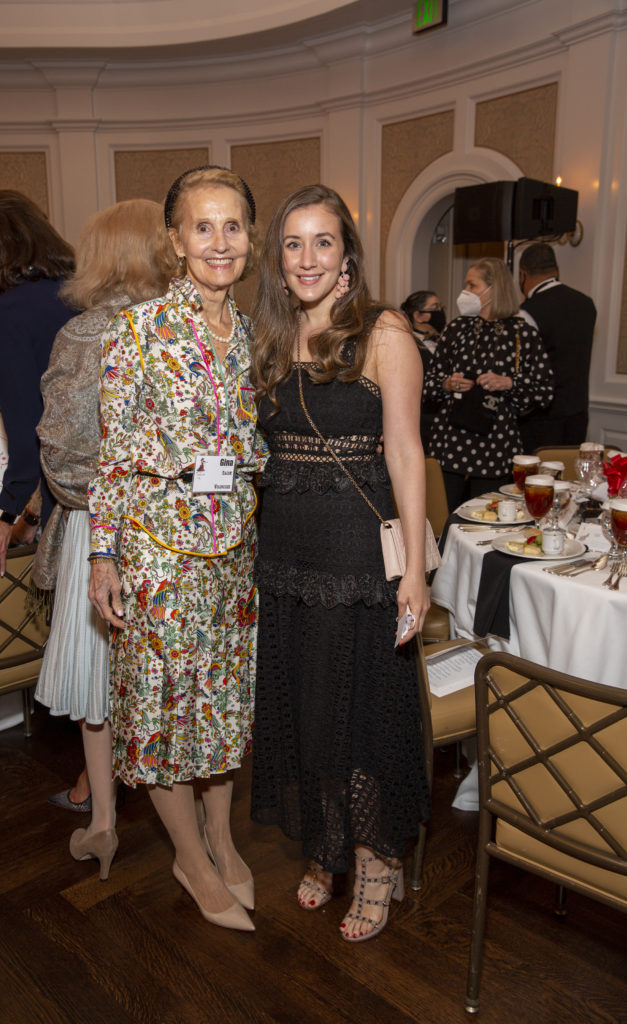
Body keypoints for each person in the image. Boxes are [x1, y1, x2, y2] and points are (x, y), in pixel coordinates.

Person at [249, 184, 431, 944]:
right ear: (278, 258)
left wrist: (415, 571)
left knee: (355, 715)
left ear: (347, 255)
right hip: (285, 553)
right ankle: (325, 844)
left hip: (357, 557)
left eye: (322, 241)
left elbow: (403, 453)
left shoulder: (381, 332)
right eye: (293, 243)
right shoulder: (267, 333)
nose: (307, 258)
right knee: (303, 709)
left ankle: (375, 856)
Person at [88, 166, 268, 931]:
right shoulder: (137, 330)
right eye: (203, 226)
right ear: (174, 240)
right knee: (165, 711)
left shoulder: (250, 333)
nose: (219, 242)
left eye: (232, 226)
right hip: (159, 550)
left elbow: (245, 440)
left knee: (219, 707)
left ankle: (222, 841)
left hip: (233, 550)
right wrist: (103, 556)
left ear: (249, 239)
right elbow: (112, 454)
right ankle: (189, 860)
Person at [31, 199, 177, 876]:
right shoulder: (180, 328)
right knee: (167, 682)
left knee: (96, 688)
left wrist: (103, 499)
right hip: (173, 531)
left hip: (102, 531)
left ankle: (103, 824)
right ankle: (191, 842)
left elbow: (59, 454)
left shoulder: (83, 334)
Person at [0, 190, 75, 578]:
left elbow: (29, 432)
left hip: (68, 497)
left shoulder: (6, 313)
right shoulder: (81, 291)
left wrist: (5, 517)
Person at [423, 257, 554, 512]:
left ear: (494, 289)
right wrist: (448, 384)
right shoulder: (456, 328)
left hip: (495, 441)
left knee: (489, 518)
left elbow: (544, 389)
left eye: (472, 285)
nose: (465, 292)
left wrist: (508, 382)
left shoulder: (521, 333)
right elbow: (429, 384)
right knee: (440, 516)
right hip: (451, 439)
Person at [517, 242, 597, 451]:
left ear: (522, 274)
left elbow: (523, 366)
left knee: (538, 479)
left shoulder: (527, 312)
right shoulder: (586, 304)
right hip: (577, 410)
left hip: (541, 416)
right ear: (556, 270)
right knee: (570, 476)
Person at [400, 290, 446, 446]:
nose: (440, 313)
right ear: (418, 316)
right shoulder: (408, 344)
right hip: (421, 420)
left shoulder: (443, 341)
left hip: (442, 419)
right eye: (435, 308)